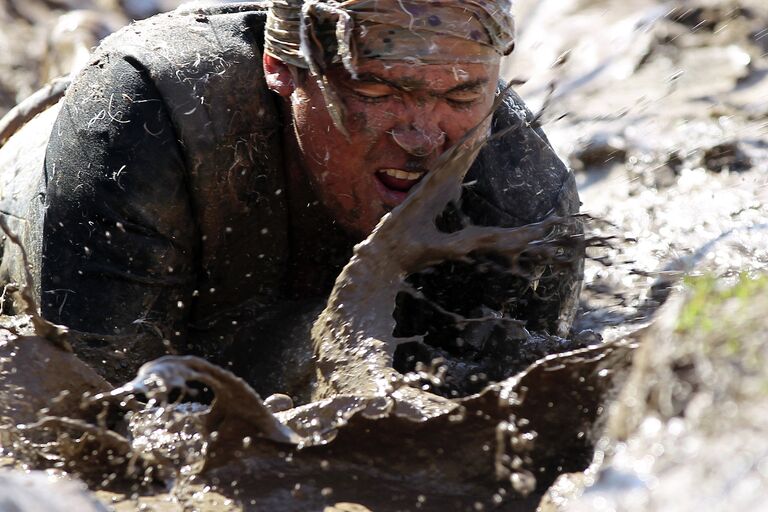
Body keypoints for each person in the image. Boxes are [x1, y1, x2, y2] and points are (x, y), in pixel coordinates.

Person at [0, 0, 583, 397]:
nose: (424, 138)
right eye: (378, 89)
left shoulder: (521, 198)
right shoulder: (153, 120)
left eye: (462, 95)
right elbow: (91, 424)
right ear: (282, 68)